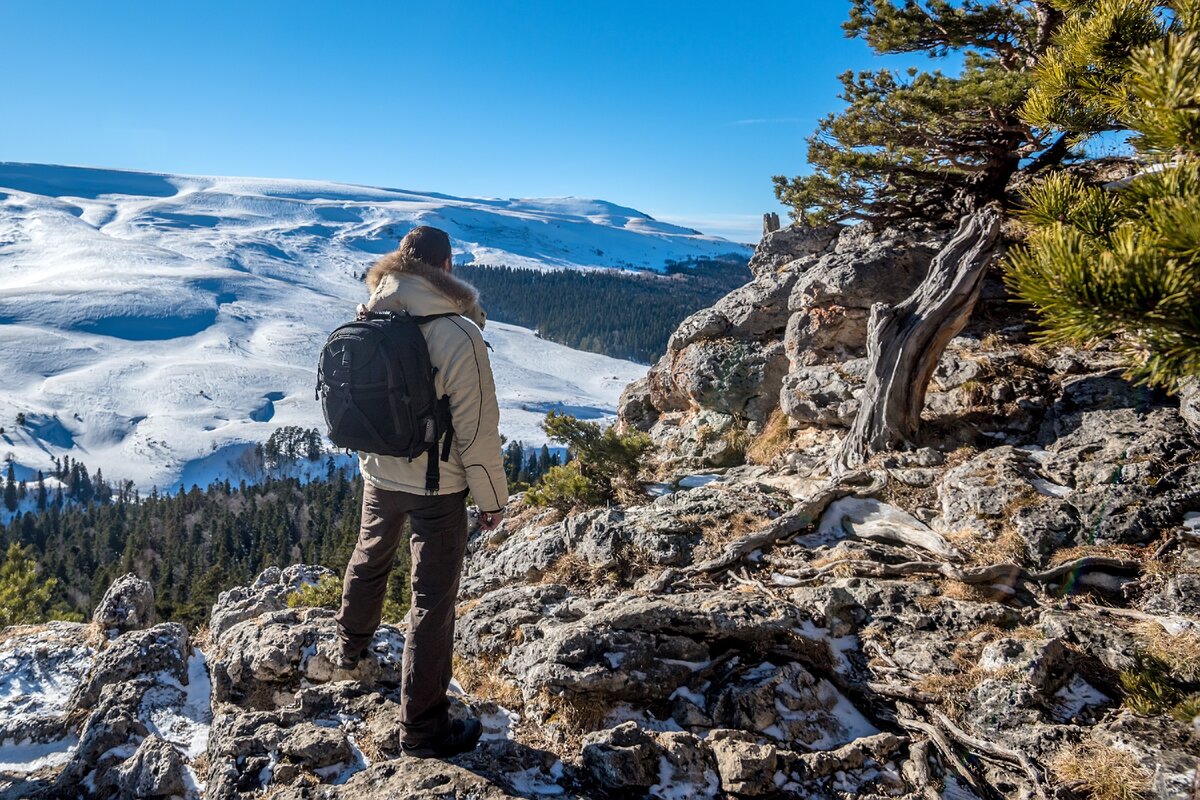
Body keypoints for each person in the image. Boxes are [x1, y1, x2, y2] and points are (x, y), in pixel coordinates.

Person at [333, 225, 508, 759]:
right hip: (438, 486)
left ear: (402, 264)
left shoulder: (371, 314)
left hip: (379, 474)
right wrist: (492, 500)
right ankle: (423, 728)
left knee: (369, 557)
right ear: (447, 267)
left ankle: (350, 651)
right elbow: (476, 427)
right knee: (432, 600)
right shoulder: (458, 333)